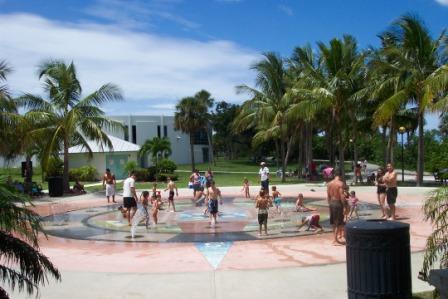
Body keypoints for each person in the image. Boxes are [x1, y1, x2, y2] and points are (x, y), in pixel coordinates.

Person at [327, 174, 347, 245]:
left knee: (333, 222)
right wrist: (344, 206)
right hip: (338, 203)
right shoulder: (340, 184)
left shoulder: (329, 183)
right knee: (339, 222)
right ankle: (335, 240)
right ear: (340, 176)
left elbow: (328, 196)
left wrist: (329, 204)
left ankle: (334, 238)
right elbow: (341, 196)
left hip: (331, 203)